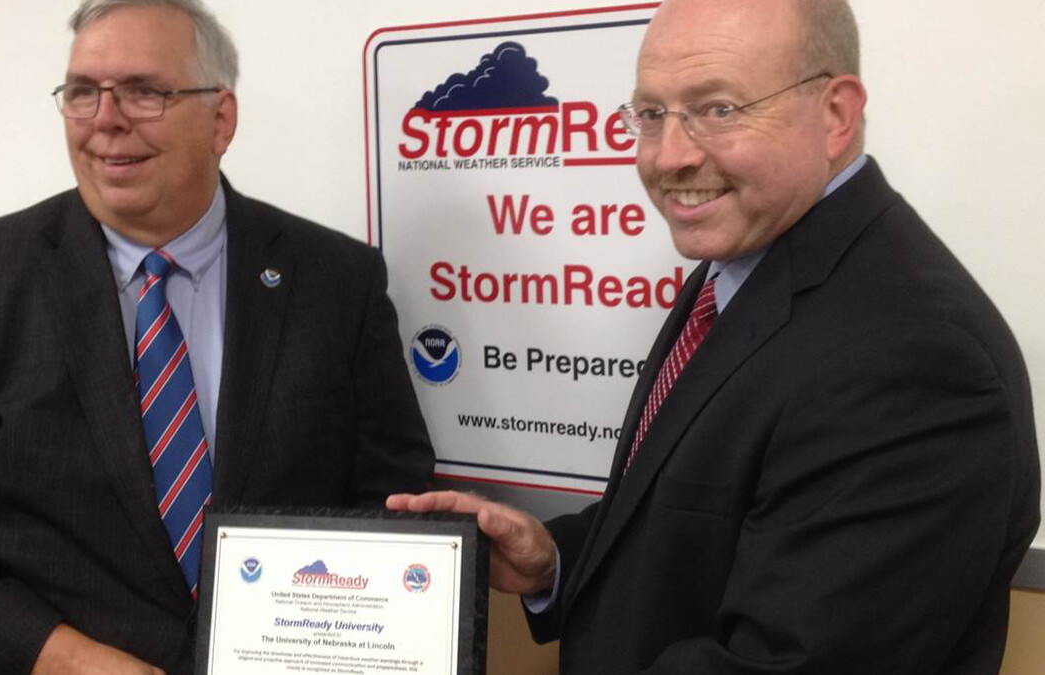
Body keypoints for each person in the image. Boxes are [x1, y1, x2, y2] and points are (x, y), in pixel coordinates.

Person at [388, 0, 1040, 673]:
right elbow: (699, 528)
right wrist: (556, 559)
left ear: (836, 115)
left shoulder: (914, 356)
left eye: (719, 109)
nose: (669, 156)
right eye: (650, 114)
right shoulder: (743, 262)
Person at [0, 1, 434, 674]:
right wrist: (59, 657)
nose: (105, 119)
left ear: (221, 120)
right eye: (82, 92)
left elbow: (395, 502)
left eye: (145, 91)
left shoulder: (336, 279)